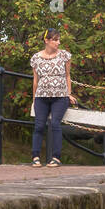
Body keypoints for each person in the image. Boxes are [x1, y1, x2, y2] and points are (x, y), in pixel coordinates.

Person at [29, 28, 77, 167]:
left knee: (55, 124)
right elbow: (35, 80)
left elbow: (68, 76)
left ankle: (56, 157)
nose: (58, 42)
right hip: (41, 97)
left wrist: (68, 93)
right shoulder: (36, 58)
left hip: (60, 97)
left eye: (58, 39)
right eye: (55, 40)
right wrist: (34, 99)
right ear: (47, 41)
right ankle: (35, 157)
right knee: (38, 126)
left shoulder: (64, 56)